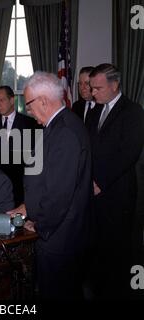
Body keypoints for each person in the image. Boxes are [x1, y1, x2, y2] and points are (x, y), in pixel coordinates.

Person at [23, 71, 92, 300]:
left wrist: (40, 224)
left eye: (29, 105)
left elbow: (59, 194)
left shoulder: (64, 131)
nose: (29, 111)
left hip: (58, 237)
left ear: (42, 101)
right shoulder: (59, 126)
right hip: (59, 233)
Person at [88, 63, 144, 298]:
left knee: (119, 252)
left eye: (97, 88)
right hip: (92, 194)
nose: (92, 93)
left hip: (117, 193)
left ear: (114, 85)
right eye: (91, 88)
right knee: (97, 251)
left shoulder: (133, 111)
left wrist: (100, 182)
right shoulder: (93, 112)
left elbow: (128, 153)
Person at [0, 85, 37, 207]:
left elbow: (32, 158)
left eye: (2, 100)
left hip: (20, 185)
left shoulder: (29, 123)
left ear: (12, 100)